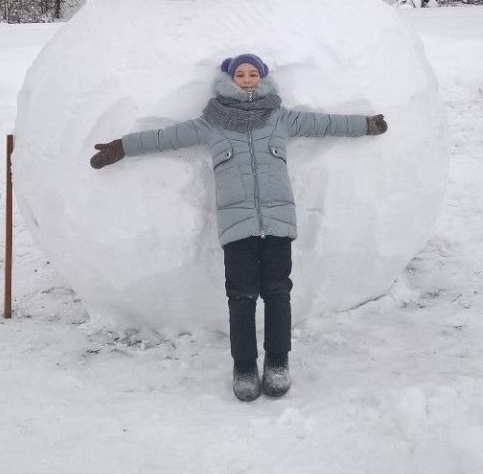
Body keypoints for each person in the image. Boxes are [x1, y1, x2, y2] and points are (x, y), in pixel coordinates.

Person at [90, 53, 387, 402]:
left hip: (277, 222)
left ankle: (278, 362)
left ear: (262, 79)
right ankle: (244, 366)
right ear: (229, 80)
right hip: (236, 225)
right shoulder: (211, 122)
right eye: (240, 74)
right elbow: (166, 137)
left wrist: (365, 124)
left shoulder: (280, 117)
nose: (247, 79)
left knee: (278, 292)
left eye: (253, 74)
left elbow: (324, 124)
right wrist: (122, 146)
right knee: (241, 296)